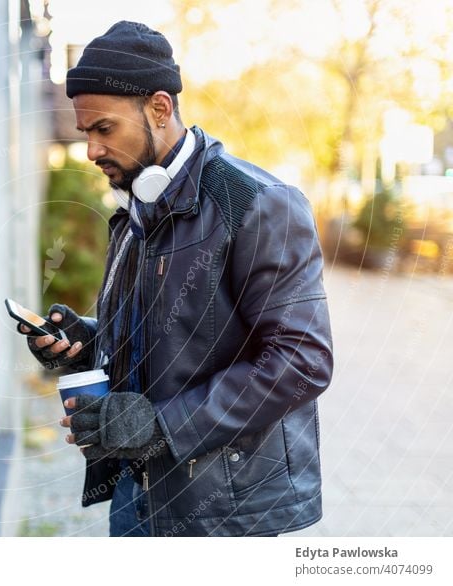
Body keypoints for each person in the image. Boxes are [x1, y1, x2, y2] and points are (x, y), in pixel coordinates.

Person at [18, 20, 333, 537]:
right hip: (135, 490)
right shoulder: (135, 205)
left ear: (159, 109)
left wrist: (161, 426)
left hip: (221, 512)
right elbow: (169, 338)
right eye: (85, 134)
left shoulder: (256, 204)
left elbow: (303, 360)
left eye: (104, 129)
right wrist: (86, 341)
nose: (91, 150)